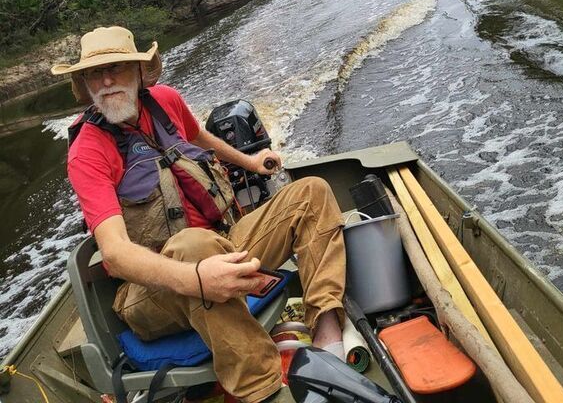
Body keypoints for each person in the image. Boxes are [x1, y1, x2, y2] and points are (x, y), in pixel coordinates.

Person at [52, 26, 346, 403]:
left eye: (118, 68)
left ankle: (327, 337)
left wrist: (251, 163)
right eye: (95, 73)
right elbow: (114, 252)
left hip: (217, 247)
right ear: (84, 84)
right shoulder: (87, 153)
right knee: (194, 246)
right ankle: (264, 391)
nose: (107, 81)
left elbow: (199, 139)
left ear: (140, 72)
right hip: (151, 292)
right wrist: (197, 278)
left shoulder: (164, 101)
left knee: (312, 192)